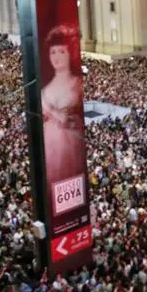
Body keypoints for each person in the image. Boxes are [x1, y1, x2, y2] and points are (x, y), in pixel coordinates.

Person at [41, 24, 85, 190]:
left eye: (61, 51)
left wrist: (52, 110)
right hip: (51, 146)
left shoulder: (77, 84)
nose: (56, 56)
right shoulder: (44, 90)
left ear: (70, 53)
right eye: (53, 52)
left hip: (72, 144)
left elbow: (73, 119)